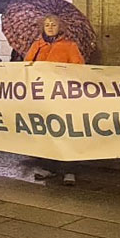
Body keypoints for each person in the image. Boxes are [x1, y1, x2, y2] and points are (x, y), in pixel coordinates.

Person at [26, 14, 84, 186]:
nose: (50, 27)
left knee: (65, 132)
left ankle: (68, 170)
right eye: (47, 25)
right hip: (42, 95)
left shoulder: (69, 45)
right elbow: (26, 65)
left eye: (53, 25)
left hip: (62, 95)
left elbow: (79, 68)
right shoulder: (37, 45)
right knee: (45, 131)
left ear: (60, 27)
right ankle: (48, 166)